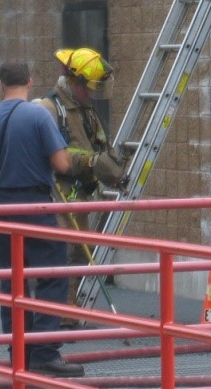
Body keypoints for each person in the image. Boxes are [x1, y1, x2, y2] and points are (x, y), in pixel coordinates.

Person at [0, 62, 84, 378]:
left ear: (1, 83)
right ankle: (45, 352)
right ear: (30, 82)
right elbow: (61, 164)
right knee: (52, 275)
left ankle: (18, 353)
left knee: (13, 282)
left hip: (1, 206)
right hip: (35, 204)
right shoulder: (38, 115)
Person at [35, 47, 128, 327]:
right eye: (88, 87)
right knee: (60, 253)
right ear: (74, 81)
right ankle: (57, 311)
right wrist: (89, 162)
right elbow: (51, 154)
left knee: (79, 253)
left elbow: (100, 144)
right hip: (58, 195)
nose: (91, 93)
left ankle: (69, 308)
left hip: (80, 196)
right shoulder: (49, 109)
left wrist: (112, 166)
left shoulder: (86, 111)